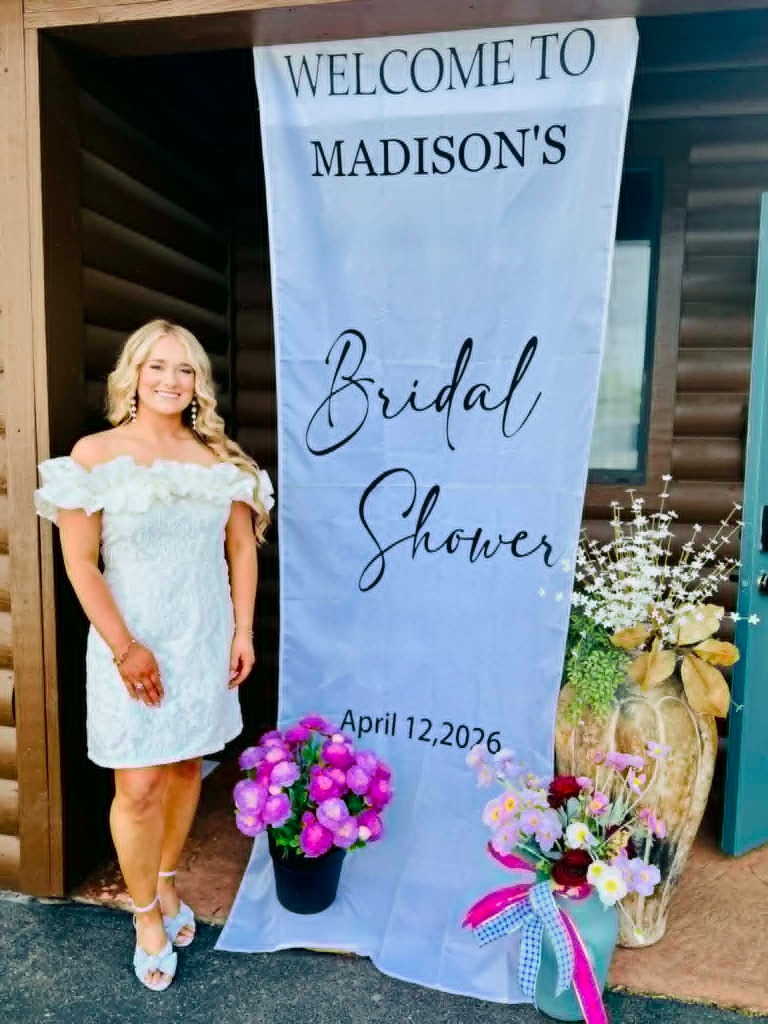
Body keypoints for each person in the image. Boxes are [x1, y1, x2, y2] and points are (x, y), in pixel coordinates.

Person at [34, 319, 274, 992]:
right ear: (133, 375)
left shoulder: (219, 460)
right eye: (157, 366)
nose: (171, 380)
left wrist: (243, 632)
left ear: (199, 383)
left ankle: (167, 882)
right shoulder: (94, 455)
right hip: (131, 645)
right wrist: (126, 647)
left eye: (185, 369)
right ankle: (145, 916)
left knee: (186, 767)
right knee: (138, 786)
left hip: (202, 638)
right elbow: (81, 564)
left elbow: (241, 550)